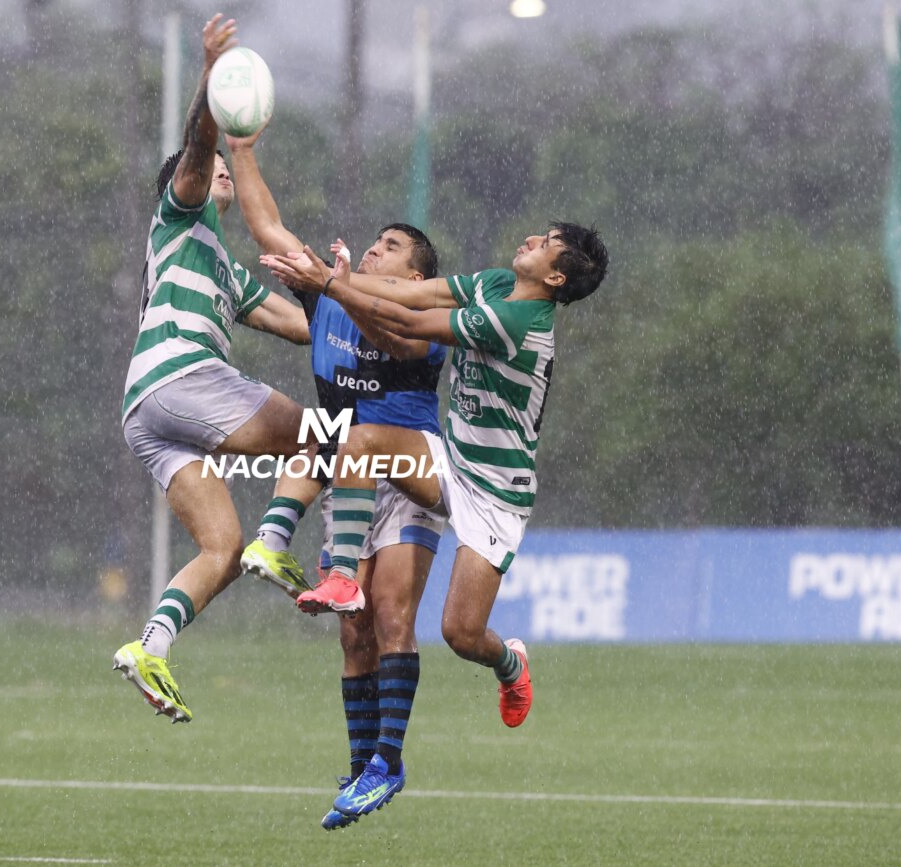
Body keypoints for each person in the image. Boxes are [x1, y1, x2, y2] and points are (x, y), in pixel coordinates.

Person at [263, 224, 608, 753]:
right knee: (357, 440)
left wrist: (331, 287)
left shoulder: (512, 320)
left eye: (545, 243)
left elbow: (407, 320)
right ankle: (341, 578)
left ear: (556, 276)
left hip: (497, 493)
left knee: (462, 634)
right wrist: (336, 278)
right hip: (450, 460)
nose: (531, 239)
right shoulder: (495, 285)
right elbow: (407, 291)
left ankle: (511, 664)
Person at [224, 130, 447, 829]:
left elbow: (394, 341)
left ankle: (389, 759)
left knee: (391, 617)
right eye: (374, 242)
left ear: (414, 279)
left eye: (391, 247)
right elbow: (265, 225)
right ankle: (359, 770)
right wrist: (243, 147)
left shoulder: (422, 316)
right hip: (350, 477)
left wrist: (338, 285)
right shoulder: (328, 294)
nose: (375, 248)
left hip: (409, 468)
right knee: (354, 635)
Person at [111, 14, 313, 725]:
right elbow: (198, 142)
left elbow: (301, 326)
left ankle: (151, 647)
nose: (219, 171)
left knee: (221, 547)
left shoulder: (224, 267)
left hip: (147, 411)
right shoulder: (181, 213)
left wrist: (335, 289)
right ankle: (282, 538)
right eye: (214, 169)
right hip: (181, 377)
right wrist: (210, 79)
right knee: (326, 433)